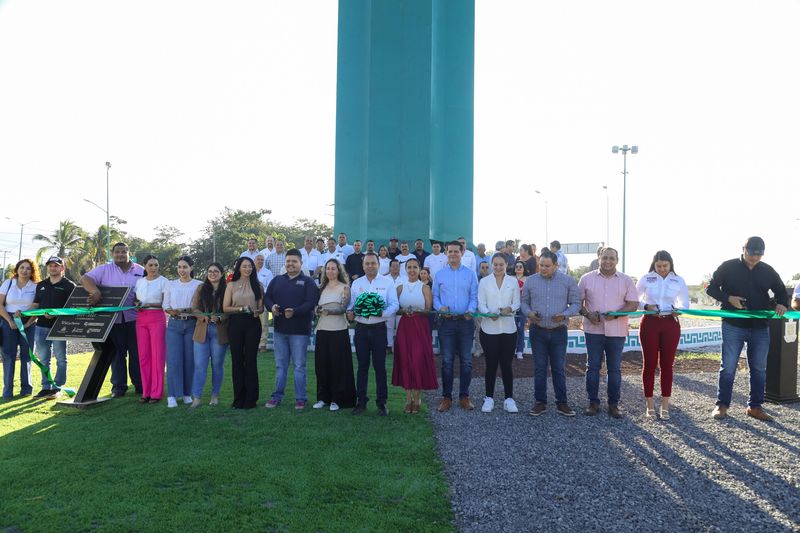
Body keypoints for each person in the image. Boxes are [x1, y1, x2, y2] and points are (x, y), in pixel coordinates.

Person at [706, 236, 789, 422]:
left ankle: (755, 407)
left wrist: (782, 304)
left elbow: (782, 292)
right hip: (732, 325)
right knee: (728, 366)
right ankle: (722, 405)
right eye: (752, 253)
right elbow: (710, 289)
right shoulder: (727, 267)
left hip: (760, 327)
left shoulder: (768, 271)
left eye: (759, 255)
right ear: (743, 249)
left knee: (759, 368)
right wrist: (728, 298)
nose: (755, 258)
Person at [578, 247, 639, 418]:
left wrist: (617, 314)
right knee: (593, 367)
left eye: (611, 258)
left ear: (617, 260)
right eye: (604, 258)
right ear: (598, 258)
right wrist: (588, 314)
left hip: (617, 330)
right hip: (593, 330)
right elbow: (577, 302)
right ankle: (593, 403)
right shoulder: (586, 278)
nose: (608, 261)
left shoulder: (626, 280)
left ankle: (613, 404)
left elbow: (633, 304)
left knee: (614, 369)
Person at [81, 242, 144, 397]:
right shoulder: (103, 269)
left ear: (129, 252)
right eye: (117, 252)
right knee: (117, 355)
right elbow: (85, 279)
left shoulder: (141, 270)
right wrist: (94, 291)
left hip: (135, 319)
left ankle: (139, 385)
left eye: (123, 251)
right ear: (112, 253)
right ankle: (118, 387)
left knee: (136, 354)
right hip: (112, 321)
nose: (120, 254)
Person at [522, 251, 581, 417]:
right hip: (538, 331)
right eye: (541, 265)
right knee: (540, 368)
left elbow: (576, 304)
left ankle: (562, 403)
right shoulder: (531, 281)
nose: (543, 268)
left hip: (559, 332)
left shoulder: (568, 281)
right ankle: (540, 402)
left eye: (547, 266)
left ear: (556, 265)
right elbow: (524, 302)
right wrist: (529, 313)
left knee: (558, 368)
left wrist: (565, 314)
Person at [636, 250, 690, 420]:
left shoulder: (678, 280)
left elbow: (685, 304)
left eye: (665, 266)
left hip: (670, 324)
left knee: (667, 364)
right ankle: (649, 404)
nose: (662, 269)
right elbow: (634, 300)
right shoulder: (645, 278)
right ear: (654, 264)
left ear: (670, 264)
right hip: (650, 322)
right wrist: (647, 306)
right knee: (650, 363)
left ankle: (665, 405)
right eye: (658, 266)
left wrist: (679, 310)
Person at [264, 249, 319, 409]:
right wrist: (271, 306)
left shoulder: (308, 281)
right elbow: (268, 297)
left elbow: (311, 302)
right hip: (280, 330)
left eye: (294, 261)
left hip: (300, 331)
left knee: (299, 366)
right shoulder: (277, 280)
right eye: (288, 261)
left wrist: (295, 312)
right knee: (281, 366)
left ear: (301, 263)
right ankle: (277, 396)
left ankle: (300, 398)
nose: (290, 264)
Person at [347, 252, 399, 416]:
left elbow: (394, 304)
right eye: (367, 263)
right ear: (363, 265)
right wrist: (350, 312)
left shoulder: (387, 282)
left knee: (380, 367)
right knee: (362, 367)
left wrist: (381, 313)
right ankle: (361, 401)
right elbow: (351, 304)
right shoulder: (356, 283)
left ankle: (382, 403)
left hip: (379, 329)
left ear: (378, 264)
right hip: (361, 329)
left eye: (373, 263)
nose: (370, 266)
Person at [433, 240, 479, 412]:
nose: (453, 254)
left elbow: (474, 296)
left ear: (462, 253)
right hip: (447, 323)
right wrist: (439, 307)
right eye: (450, 251)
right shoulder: (440, 274)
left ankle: (464, 396)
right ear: (446, 253)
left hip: (466, 323)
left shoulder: (470, 274)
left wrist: (471, 309)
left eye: (456, 251)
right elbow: (436, 297)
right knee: (447, 361)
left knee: (466, 361)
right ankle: (446, 397)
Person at [393, 258, 438, 414]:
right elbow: (395, 308)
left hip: (419, 326)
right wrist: (404, 311)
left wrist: (417, 311)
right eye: (409, 267)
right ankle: (408, 398)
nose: (412, 270)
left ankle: (417, 397)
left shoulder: (425, 288)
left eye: (415, 267)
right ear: (405, 269)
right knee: (405, 360)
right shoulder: (399, 287)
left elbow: (428, 309)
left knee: (417, 360)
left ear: (419, 269)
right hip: (405, 326)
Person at [477, 254, 520, 413]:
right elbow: (480, 303)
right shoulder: (484, 282)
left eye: (501, 264)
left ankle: (509, 399)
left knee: (507, 365)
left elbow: (516, 302)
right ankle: (489, 398)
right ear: (491, 265)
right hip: (489, 329)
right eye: (495, 264)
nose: (498, 267)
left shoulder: (513, 281)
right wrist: (488, 313)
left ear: (506, 265)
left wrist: (510, 308)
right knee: (491, 364)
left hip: (509, 329)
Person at [313, 259, 356, 411]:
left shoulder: (344, 287)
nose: (330, 271)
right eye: (328, 269)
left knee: (338, 366)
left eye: (333, 268)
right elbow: (315, 308)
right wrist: (317, 310)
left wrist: (328, 311)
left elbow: (344, 308)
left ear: (339, 271)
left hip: (338, 330)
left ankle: (337, 399)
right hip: (322, 330)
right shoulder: (321, 288)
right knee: (322, 365)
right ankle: (323, 397)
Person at [30, 256, 75, 399]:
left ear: (62, 268)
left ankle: (57, 387)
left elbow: (72, 308)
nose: (52, 268)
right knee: (43, 359)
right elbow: (36, 304)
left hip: (60, 327)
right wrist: (25, 314)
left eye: (56, 266)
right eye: (50, 266)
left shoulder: (69, 285)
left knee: (61, 358)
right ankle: (45, 387)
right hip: (41, 326)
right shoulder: (41, 285)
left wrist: (56, 315)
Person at [223, 256, 263, 409]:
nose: (248, 269)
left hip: (253, 324)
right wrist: (240, 309)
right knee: (237, 361)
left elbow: (261, 308)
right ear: (239, 268)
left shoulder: (257, 285)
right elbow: (225, 308)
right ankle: (238, 398)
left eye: (250, 266)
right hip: (235, 324)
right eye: (245, 266)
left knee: (251, 361)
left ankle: (251, 399)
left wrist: (256, 311)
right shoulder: (231, 285)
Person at [163, 256, 202, 408]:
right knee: (173, 361)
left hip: (192, 324)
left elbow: (200, 305)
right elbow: (166, 304)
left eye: (185, 267)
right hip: (174, 325)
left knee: (189, 361)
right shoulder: (170, 284)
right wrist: (173, 311)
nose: (182, 270)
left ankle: (186, 394)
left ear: (191, 268)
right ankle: (172, 395)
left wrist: (187, 310)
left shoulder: (199, 285)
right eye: (179, 267)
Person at [0, 259, 39, 398]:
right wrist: (10, 320)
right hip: (7, 321)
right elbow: (0, 305)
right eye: (22, 267)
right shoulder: (8, 283)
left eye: (28, 268)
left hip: (28, 321)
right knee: (8, 356)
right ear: (17, 269)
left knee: (26, 356)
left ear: (32, 271)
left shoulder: (35, 286)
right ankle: (8, 392)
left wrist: (26, 321)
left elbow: (36, 306)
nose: (24, 270)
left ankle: (26, 390)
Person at [191, 263, 229, 407]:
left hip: (219, 331)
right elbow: (194, 308)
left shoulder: (227, 289)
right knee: (200, 365)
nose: (212, 273)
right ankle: (197, 398)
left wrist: (219, 318)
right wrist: (202, 317)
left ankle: (215, 396)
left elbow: (229, 311)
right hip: (202, 330)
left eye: (216, 271)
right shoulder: (201, 288)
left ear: (222, 273)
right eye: (210, 271)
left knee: (217, 365)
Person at [133, 255, 168, 404]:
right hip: (141, 319)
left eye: (156, 265)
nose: (153, 268)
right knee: (144, 356)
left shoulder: (164, 282)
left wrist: (151, 304)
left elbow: (167, 304)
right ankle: (146, 392)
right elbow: (135, 299)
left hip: (157, 319)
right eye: (150, 265)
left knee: (157, 356)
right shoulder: (139, 282)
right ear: (144, 266)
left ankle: (156, 393)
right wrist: (137, 303)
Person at [255, 253, 274, 350]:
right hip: (251, 300)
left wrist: (261, 288)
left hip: (263, 298)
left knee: (264, 323)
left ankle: (263, 344)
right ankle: (254, 343)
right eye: (258, 259)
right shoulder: (251, 272)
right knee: (253, 323)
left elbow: (270, 287)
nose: (260, 261)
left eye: (262, 260)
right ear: (254, 261)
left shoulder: (268, 272)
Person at [385, 259, 403, 351]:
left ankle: (400, 346)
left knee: (400, 326)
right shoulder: (385, 279)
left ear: (400, 267)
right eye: (393, 266)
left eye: (397, 266)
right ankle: (389, 345)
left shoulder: (405, 278)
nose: (395, 268)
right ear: (390, 267)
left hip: (401, 307)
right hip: (389, 306)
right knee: (389, 326)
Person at [512, 260, 528, 359]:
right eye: (516, 266)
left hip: (523, 306)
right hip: (512, 306)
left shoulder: (528, 279)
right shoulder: (510, 278)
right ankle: (511, 349)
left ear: (524, 269)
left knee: (520, 329)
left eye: (520, 266)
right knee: (512, 329)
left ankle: (520, 350)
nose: (518, 268)